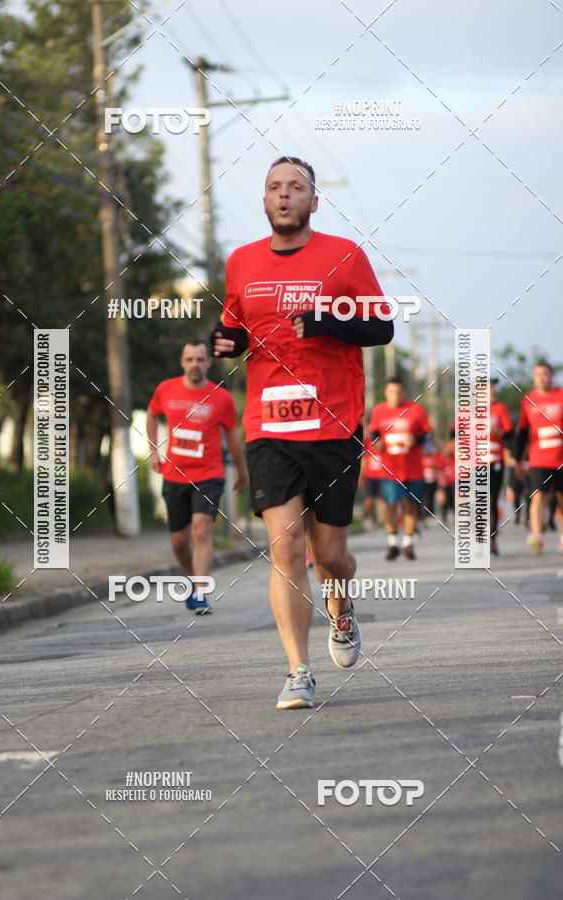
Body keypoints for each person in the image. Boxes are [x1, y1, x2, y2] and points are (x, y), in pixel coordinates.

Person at [211, 156, 393, 709]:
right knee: (285, 545)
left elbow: (381, 326)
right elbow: (236, 327)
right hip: (268, 423)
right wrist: (227, 343)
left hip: (334, 424)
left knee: (330, 554)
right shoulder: (240, 262)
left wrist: (324, 321)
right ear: (264, 201)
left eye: (295, 188)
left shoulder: (344, 255)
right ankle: (297, 671)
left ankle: (342, 609)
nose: (284, 195)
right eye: (274, 187)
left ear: (314, 201)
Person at [146, 340, 247, 613]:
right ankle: (194, 579)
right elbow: (152, 415)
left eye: (200, 359)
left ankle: (201, 591)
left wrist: (241, 471)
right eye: (190, 359)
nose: (195, 365)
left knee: (201, 529)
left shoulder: (221, 397)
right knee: (179, 541)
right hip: (174, 474)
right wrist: (153, 451)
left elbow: (232, 438)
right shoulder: (166, 389)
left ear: (208, 363)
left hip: (209, 473)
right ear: (182, 362)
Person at [369, 377, 431, 560]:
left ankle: (408, 543)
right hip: (389, 468)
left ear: (404, 392)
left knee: (411, 505)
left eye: (398, 392)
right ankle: (392, 541)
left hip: (412, 467)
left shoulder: (416, 410)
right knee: (390, 504)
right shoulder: (379, 411)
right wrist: (377, 442)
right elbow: (374, 433)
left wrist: (416, 440)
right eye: (391, 392)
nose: (395, 396)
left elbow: (426, 433)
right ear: (386, 393)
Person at [513, 361, 563, 555]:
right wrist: (518, 460)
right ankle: (537, 536)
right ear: (534, 378)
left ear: (551, 376)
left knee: (561, 496)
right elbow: (523, 432)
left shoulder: (560, 396)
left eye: (545, 374)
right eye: (538, 375)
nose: (542, 378)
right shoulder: (528, 400)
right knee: (538, 496)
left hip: (560, 457)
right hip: (538, 459)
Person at [487, 378, 514, 555]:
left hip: (495, 462)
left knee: (491, 500)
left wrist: (495, 430)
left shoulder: (500, 408)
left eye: (492, 387)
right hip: (474, 463)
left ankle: (492, 539)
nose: (490, 391)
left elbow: (510, 433)